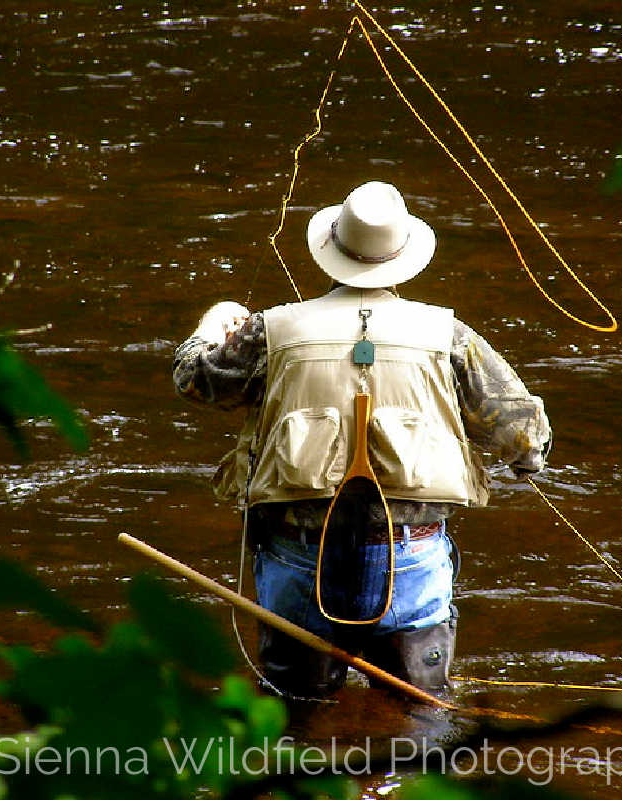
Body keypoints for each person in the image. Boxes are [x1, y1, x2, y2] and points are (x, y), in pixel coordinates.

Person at [173, 181, 551, 697]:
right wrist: (524, 462)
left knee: (296, 722)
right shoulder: (450, 336)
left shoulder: (270, 330)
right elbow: (528, 436)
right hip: (412, 560)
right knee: (419, 725)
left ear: (332, 250)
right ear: (403, 256)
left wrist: (214, 324)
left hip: (298, 558)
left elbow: (195, 380)